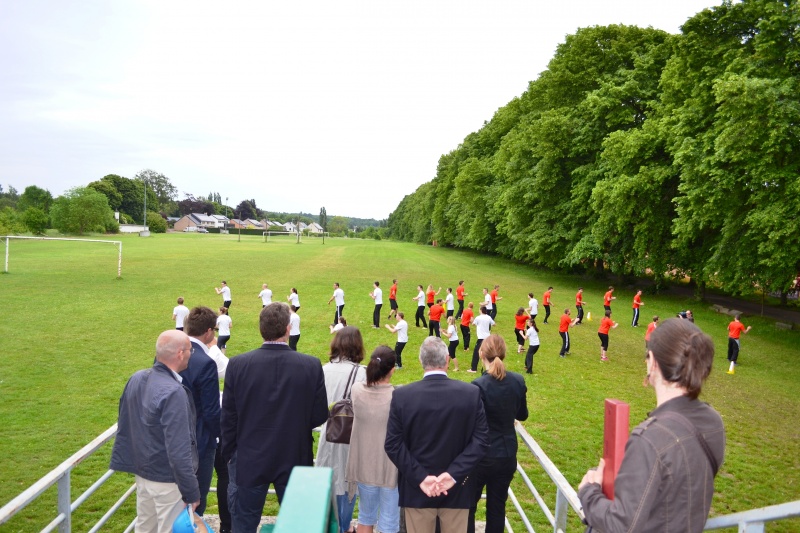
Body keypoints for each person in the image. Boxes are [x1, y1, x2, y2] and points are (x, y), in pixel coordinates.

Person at [578, 319, 725, 533]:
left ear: (653, 362)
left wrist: (589, 492)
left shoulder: (649, 439)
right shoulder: (713, 421)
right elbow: (675, 486)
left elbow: (621, 526)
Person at [221, 303, 328, 533]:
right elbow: (319, 415)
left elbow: (228, 417)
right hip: (293, 456)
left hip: (250, 457)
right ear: (288, 329)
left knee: (244, 525)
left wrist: (230, 454)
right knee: (299, 526)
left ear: (261, 328)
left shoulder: (238, 365)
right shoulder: (309, 365)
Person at [384, 337, 489, 533]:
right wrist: (452, 475)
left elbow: (393, 444)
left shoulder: (403, 396)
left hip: (419, 490)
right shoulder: (470, 393)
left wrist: (422, 478)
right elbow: (481, 441)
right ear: (448, 360)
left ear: (421, 361)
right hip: (455, 489)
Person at [110, 330, 200, 533]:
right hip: (168, 482)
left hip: (143, 474)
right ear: (180, 354)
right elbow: (179, 450)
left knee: (145, 527)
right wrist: (192, 491)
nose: (190, 354)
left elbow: (127, 423)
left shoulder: (136, 378)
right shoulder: (174, 392)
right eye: (190, 350)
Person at [468, 335, 528, 533]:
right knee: (497, 507)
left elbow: (472, 423)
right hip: (506, 454)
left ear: (481, 354)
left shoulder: (478, 385)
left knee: (469, 506)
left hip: (482, 456)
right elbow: (522, 414)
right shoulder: (517, 381)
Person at [317, 326, 368, 533]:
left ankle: (329, 526)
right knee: (347, 486)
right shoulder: (362, 374)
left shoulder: (322, 370)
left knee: (327, 482)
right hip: (351, 437)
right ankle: (344, 527)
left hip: (327, 434)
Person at [345, 346, 400, 533]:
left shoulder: (356, 390)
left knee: (365, 517)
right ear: (392, 369)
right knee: (389, 522)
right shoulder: (398, 397)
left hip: (365, 465)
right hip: (389, 468)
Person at [182, 306, 221, 516]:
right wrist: (223, 435)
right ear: (208, 331)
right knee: (197, 500)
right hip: (199, 441)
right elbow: (211, 410)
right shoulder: (205, 362)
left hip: (169, 439)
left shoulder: (169, 351)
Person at [469, 306, 495, 373]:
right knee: (489, 352)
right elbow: (494, 324)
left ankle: (473, 368)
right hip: (487, 337)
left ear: (481, 310)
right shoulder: (488, 317)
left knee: (476, 352)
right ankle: (491, 366)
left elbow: (473, 324)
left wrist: (471, 320)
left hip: (481, 338)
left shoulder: (478, 318)